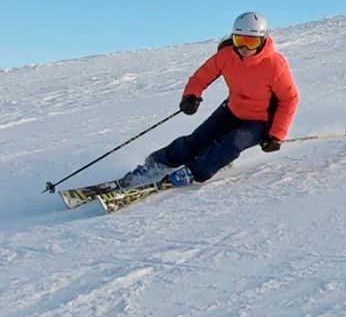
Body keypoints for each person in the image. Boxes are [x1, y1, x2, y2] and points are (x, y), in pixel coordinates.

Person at [122, 11, 301, 188]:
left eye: (251, 41)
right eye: (239, 40)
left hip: (261, 120)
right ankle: (157, 164)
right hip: (233, 110)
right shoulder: (226, 56)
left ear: (262, 40)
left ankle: (193, 171)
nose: (244, 47)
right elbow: (201, 77)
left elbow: (289, 99)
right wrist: (191, 95)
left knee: (231, 144)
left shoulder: (275, 64)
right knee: (198, 140)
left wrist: (276, 135)